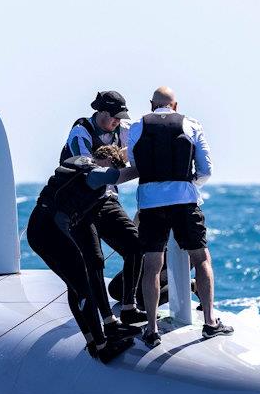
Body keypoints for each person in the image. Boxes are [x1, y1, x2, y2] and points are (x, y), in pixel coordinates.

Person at [128, 86, 234, 347]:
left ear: (152, 104)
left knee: (152, 264)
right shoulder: (192, 124)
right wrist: (187, 185)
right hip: (185, 201)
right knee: (201, 258)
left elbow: (135, 164)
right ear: (175, 106)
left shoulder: (136, 126)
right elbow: (206, 169)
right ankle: (210, 322)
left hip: (151, 203)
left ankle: (152, 329)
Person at [28, 145, 139, 363]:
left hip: (38, 230)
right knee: (84, 287)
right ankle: (103, 345)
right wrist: (147, 166)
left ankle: (92, 341)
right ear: (105, 161)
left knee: (76, 286)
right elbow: (116, 176)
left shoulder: (79, 166)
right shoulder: (94, 172)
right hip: (51, 233)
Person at [60, 91, 146, 325]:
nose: (117, 121)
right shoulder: (81, 132)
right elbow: (91, 174)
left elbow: (143, 138)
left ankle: (129, 307)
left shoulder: (123, 129)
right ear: (101, 112)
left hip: (107, 200)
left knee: (135, 246)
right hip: (80, 205)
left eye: (120, 117)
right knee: (95, 261)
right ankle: (105, 320)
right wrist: (134, 170)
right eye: (114, 117)